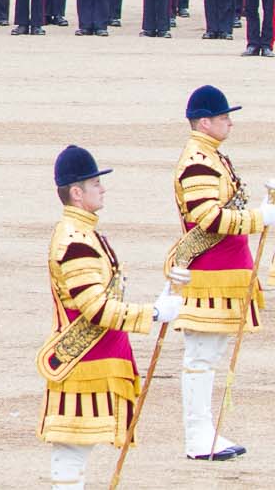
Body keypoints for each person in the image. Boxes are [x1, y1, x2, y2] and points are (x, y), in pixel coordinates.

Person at [40, 144, 176, 490]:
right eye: (96, 184)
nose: (103, 189)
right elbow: (96, 309)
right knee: (71, 456)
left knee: (75, 458)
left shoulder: (83, 233)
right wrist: (154, 313)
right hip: (83, 362)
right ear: (76, 192)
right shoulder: (76, 240)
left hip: (93, 360)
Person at [170, 83, 272, 461]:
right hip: (209, 271)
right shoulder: (199, 160)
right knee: (200, 357)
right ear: (204, 121)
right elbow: (208, 218)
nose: (230, 123)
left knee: (208, 357)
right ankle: (197, 435)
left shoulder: (211, 156)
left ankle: (205, 431)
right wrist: (258, 218)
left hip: (224, 270)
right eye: (224, 117)